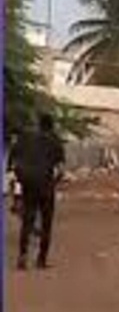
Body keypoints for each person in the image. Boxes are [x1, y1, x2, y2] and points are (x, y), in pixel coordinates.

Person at [11, 113, 65, 270]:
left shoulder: (26, 138)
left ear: (38, 124)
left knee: (27, 221)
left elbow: (14, 160)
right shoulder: (55, 141)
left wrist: (20, 177)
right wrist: (54, 183)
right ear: (52, 125)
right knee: (47, 223)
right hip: (46, 186)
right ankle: (41, 260)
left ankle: (22, 257)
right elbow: (61, 170)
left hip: (28, 184)